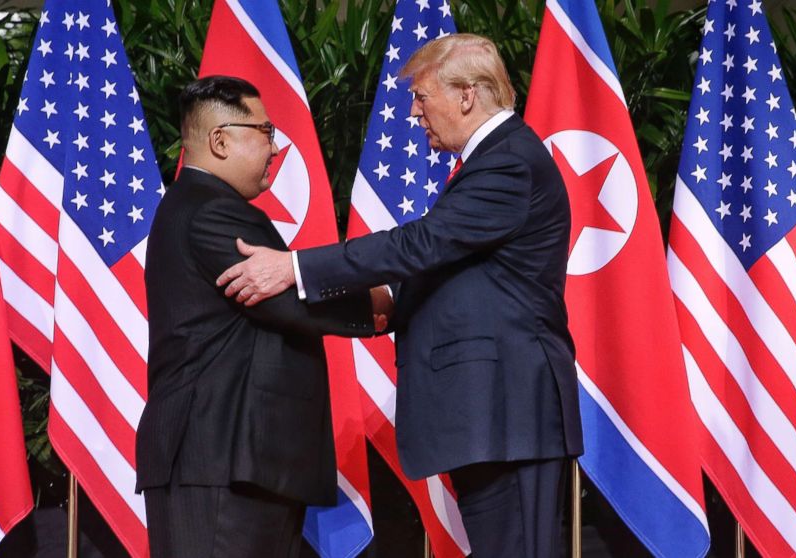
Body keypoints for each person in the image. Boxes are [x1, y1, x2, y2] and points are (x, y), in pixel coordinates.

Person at [215, 34, 583, 558]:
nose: (413, 111)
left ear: (466, 96)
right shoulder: (494, 161)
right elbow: (462, 266)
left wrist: (294, 267)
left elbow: (424, 243)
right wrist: (392, 302)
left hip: (507, 411)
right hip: (492, 414)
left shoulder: (509, 162)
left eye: (423, 96)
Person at [135, 75, 387, 558]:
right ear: (220, 140)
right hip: (220, 460)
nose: (275, 148)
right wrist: (381, 305)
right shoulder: (210, 210)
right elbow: (284, 300)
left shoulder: (197, 205)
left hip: (228, 462)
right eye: (265, 132)